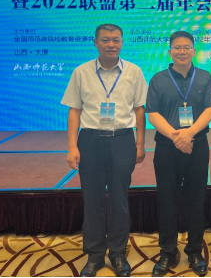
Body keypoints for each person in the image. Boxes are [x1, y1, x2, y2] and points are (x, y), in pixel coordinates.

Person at [61, 24, 147, 277]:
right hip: (90, 141)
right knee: (93, 200)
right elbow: (74, 110)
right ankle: (95, 255)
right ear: (95, 42)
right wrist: (72, 146)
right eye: (106, 40)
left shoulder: (134, 71)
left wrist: (140, 144)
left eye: (116, 40)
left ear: (122, 42)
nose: (111, 44)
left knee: (120, 200)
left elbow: (139, 110)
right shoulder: (81, 72)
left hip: (122, 140)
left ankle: (118, 253)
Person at [146, 31, 211, 277]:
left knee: (196, 200)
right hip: (167, 147)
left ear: (194, 51)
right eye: (177, 47)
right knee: (167, 200)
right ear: (170, 52)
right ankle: (167, 252)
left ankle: (195, 251)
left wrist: (189, 134)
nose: (182, 51)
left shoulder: (205, 77)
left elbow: (210, 110)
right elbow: (152, 114)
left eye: (187, 47)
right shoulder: (158, 79)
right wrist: (177, 137)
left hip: (197, 146)